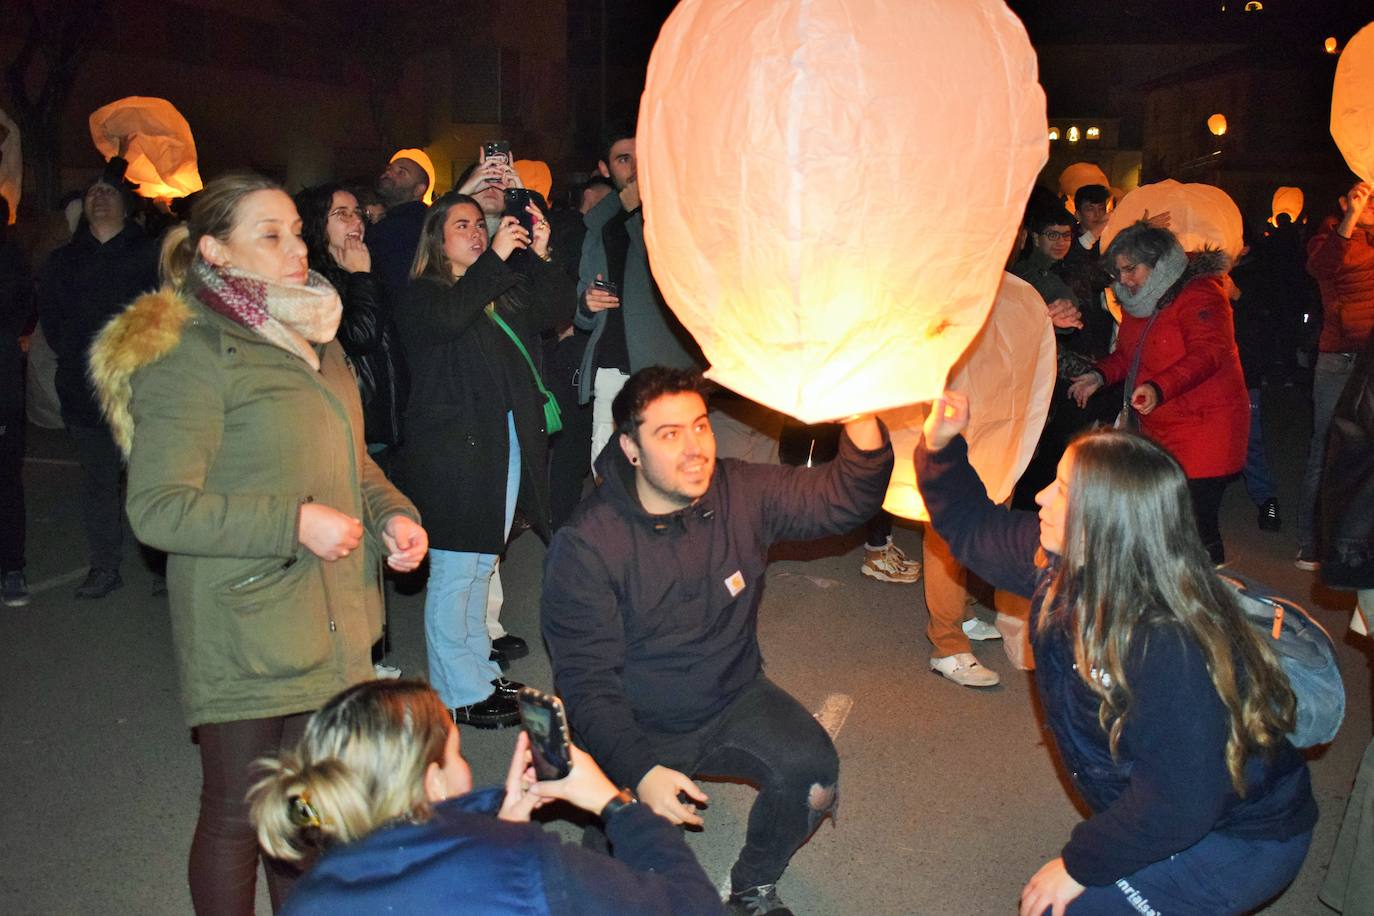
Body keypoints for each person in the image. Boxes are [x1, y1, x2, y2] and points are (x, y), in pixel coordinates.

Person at [88, 172, 428, 915]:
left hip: (328, 621)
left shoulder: (315, 340)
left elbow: (354, 464)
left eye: (296, 232)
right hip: (244, 624)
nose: (296, 249)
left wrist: (392, 518)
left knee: (303, 811)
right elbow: (158, 509)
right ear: (215, 250)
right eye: (269, 235)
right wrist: (292, 522)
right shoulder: (193, 350)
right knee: (237, 816)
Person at [916, 390, 1316, 916]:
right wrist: (940, 445)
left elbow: (1180, 802)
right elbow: (973, 527)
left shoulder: (1168, 644)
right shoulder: (1065, 566)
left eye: (1062, 490)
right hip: (1182, 804)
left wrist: (1079, 865)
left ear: (1105, 521)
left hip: (1240, 839)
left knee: (1064, 908)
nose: (1041, 497)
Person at [541, 367, 893, 916]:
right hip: (639, 723)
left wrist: (860, 416)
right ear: (631, 449)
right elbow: (587, 686)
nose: (695, 449)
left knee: (813, 776)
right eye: (669, 434)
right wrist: (641, 772)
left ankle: (751, 887)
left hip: (732, 694)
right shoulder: (587, 544)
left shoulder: (739, 490)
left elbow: (844, 499)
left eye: (700, 426)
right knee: (619, 891)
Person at [247, 679, 723, 915]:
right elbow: (693, 905)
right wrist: (615, 806)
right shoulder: (523, 864)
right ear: (433, 783)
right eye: (457, 753)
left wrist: (499, 825)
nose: (465, 765)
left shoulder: (306, 899)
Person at [392, 191, 573, 729]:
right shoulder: (423, 295)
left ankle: (478, 673)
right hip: (451, 454)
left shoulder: (491, 289)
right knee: (455, 570)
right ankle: (457, 692)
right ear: (437, 239)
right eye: (462, 226)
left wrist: (541, 253)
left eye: (479, 224)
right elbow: (449, 320)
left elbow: (552, 312)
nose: (476, 232)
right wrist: (494, 258)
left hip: (499, 443)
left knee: (478, 565)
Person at [1068, 220, 1248, 564]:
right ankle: (1172, 587)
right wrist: (1099, 376)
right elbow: (1128, 354)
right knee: (1162, 520)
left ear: (1159, 263)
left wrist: (1157, 387)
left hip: (1205, 426)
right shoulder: (1139, 299)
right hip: (1160, 426)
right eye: (1118, 272)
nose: (1123, 280)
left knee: (1195, 523)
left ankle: (1210, 588)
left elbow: (1210, 353)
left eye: (1130, 269)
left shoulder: (1200, 292)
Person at [36, 153, 158, 598]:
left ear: (126, 204)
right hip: (86, 391)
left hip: (145, 391)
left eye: (108, 191)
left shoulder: (151, 256)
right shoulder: (63, 261)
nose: (100, 198)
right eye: (92, 193)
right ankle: (105, 566)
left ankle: (164, 569)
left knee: (153, 482)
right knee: (99, 483)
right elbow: (52, 321)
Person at [575, 125, 704, 463]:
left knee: (667, 468)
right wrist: (586, 304)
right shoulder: (600, 223)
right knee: (607, 472)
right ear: (605, 169)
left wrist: (637, 214)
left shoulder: (677, 212)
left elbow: (672, 278)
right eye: (623, 159)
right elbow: (581, 313)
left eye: (641, 156)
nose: (635, 167)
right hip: (611, 370)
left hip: (662, 368)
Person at [294, 183, 409, 461]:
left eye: (357, 212)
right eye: (342, 214)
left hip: (382, 426)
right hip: (347, 429)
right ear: (317, 223)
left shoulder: (367, 269)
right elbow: (360, 337)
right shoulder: (309, 281)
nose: (356, 221)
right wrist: (361, 277)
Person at [1297, 179, 1374, 570]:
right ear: (1344, 200)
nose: (1368, 203)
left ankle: (1357, 543)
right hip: (1340, 359)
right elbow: (1321, 266)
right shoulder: (1328, 236)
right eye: (1362, 196)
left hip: (1372, 358)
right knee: (1325, 449)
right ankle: (1311, 542)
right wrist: (1350, 220)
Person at [0, 193, 32, 606]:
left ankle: (11, 567)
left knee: (5, 482)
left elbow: (19, 310)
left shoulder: (11, 259)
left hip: (2, 388)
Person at [367, 148, 435, 300]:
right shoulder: (385, 221)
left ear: (419, 190)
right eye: (389, 169)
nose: (388, 174)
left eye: (401, 172)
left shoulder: (410, 225)